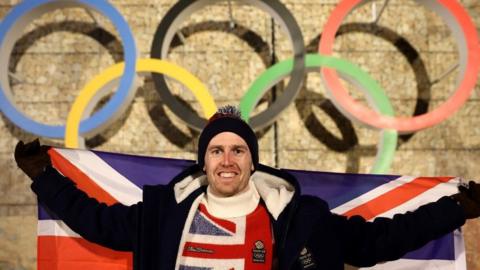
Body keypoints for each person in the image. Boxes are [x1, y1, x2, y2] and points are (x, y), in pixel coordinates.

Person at [14, 105, 480, 270]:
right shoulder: (162, 212)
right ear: (204, 161)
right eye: (217, 151)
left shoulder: (302, 218)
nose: (227, 160)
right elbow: (97, 223)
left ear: (252, 161)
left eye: (238, 150)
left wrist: (454, 208)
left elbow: (376, 242)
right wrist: (44, 177)